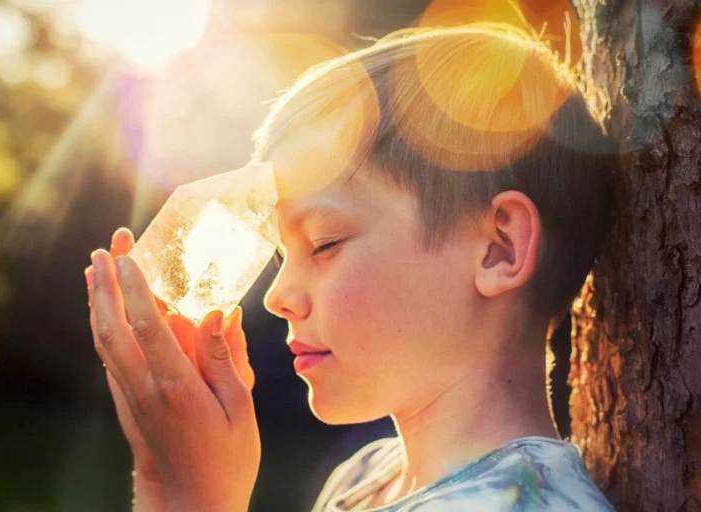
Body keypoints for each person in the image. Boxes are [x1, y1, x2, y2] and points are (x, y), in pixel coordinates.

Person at [85, 22, 617, 511]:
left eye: (324, 243)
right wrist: (160, 474)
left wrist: (201, 496)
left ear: (499, 247)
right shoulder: (365, 477)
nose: (276, 296)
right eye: (279, 253)